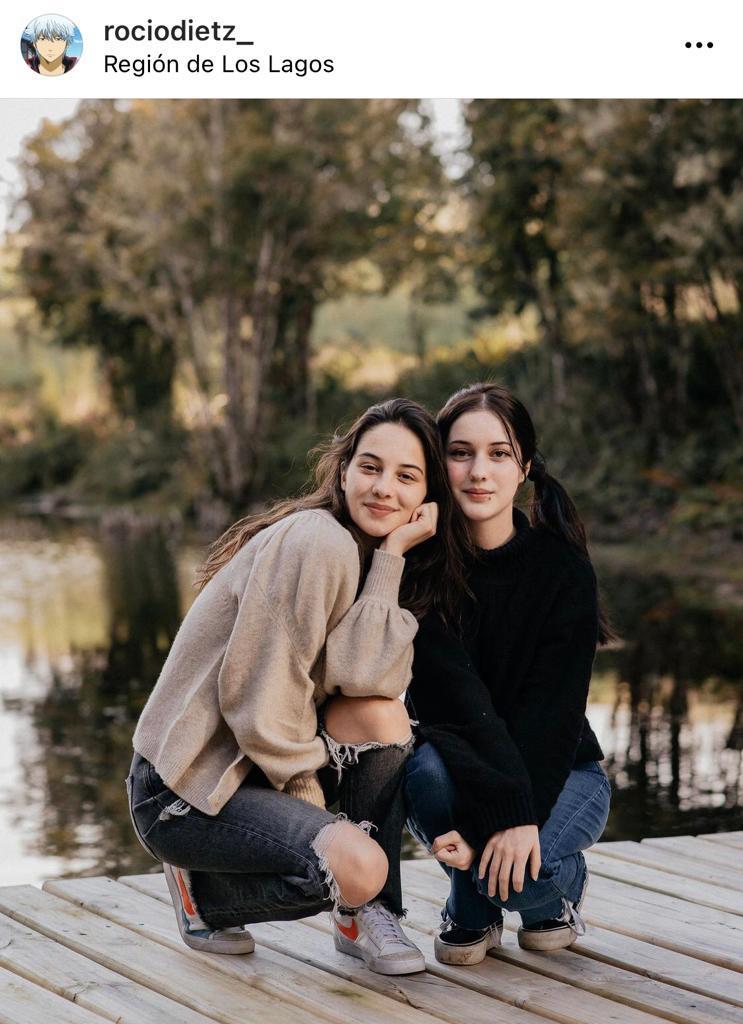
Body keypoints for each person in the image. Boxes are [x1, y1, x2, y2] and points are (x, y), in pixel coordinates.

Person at [127, 398, 466, 976]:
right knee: (356, 868)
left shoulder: (367, 551)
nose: (384, 488)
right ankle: (204, 896)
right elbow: (260, 702)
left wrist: (390, 557)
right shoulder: (317, 541)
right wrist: (315, 816)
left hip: (247, 774)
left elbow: (363, 679)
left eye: (406, 476)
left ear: (427, 496)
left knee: (381, 716)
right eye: (370, 467)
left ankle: (365, 916)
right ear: (343, 472)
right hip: (182, 791)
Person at [404, 382, 612, 964]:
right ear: (437, 463)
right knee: (422, 769)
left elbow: (553, 714)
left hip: (564, 771)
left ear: (523, 467)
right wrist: (501, 821)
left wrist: (518, 819)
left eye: (499, 454)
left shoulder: (562, 570)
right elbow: (453, 710)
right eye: (460, 452)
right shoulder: (417, 572)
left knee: (517, 864)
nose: (478, 471)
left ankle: (477, 906)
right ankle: (529, 899)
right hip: (458, 765)